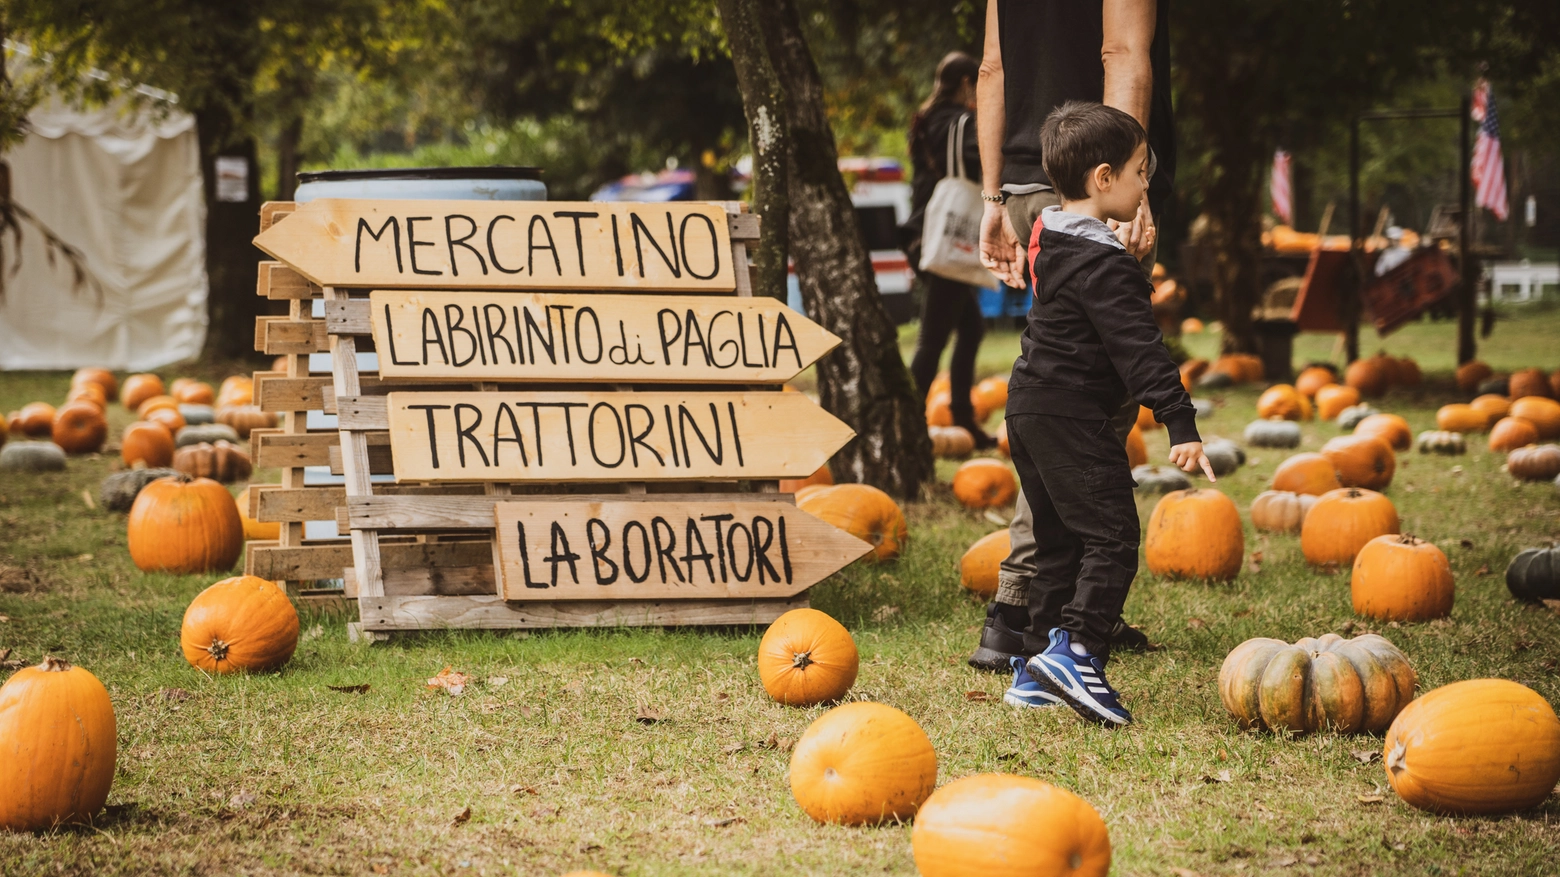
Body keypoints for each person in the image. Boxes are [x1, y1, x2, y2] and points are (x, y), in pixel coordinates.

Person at [970, 0, 1175, 675]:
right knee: (1083, 421)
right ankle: (1028, 613)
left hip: (1033, 186)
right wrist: (1131, 192)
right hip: (1096, 188)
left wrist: (992, 197)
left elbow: (994, 69)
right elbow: (1122, 55)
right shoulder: (1118, 182)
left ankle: (1035, 614)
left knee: (1059, 404)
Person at [1002, 101, 1213, 727]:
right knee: (1114, 537)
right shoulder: (1106, 267)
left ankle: (1035, 665)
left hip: (1029, 409)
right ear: (1103, 179)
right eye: (1139, 172)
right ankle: (1080, 650)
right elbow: (1139, 348)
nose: (1146, 184)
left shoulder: (1052, 235)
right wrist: (1180, 420)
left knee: (1059, 540)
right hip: (1072, 417)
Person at [902, 51, 995, 446]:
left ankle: (960, 416)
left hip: (928, 235)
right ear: (965, 84)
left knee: (970, 329)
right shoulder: (953, 122)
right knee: (933, 337)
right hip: (939, 237)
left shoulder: (930, 119)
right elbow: (973, 159)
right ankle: (906, 424)